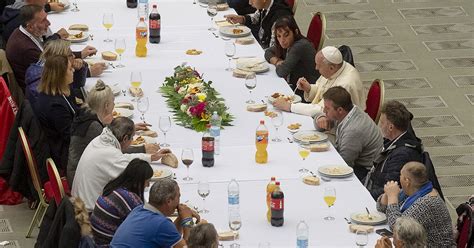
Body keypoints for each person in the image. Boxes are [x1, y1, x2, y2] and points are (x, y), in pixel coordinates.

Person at [67, 80, 158, 185]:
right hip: (79, 179)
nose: (114, 105)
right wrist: (143, 149)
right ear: (106, 105)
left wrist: (129, 128)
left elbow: (109, 130)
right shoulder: (93, 127)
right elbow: (116, 153)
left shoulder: (87, 113)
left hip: (80, 171)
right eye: (113, 102)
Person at [71, 117, 170, 212]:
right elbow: (136, 178)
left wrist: (150, 157)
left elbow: (123, 159)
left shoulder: (100, 140)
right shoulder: (111, 154)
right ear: (125, 138)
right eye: (132, 138)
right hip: (88, 213)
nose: (132, 142)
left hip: (80, 203)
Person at [5, 5, 99, 91]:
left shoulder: (23, 32)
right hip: (39, 93)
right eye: (43, 21)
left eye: (46, 18)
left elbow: (46, 51)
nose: (49, 23)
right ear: (30, 26)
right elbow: (53, 74)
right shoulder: (27, 50)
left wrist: (80, 54)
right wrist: (88, 72)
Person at [376, 162, 456, 247]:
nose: (399, 178)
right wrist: (387, 194)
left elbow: (397, 229)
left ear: (407, 181)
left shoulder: (427, 203)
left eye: (401, 175)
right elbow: (382, 209)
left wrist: (392, 198)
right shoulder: (414, 191)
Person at [273, 46, 366, 118]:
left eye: (319, 66)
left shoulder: (345, 84)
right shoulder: (335, 69)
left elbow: (323, 110)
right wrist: (309, 88)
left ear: (331, 68)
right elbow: (322, 89)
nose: (316, 68)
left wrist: (290, 106)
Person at [316, 86, 383, 180]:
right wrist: (320, 119)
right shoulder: (348, 111)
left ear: (340, 110)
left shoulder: (353, 130)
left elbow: (343, 164)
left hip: (363, 171)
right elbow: (320, 125)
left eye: (327, 108)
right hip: (351, 159)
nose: (324, 111)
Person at [110, 178, 201, 247]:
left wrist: (181, 217)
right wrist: (187, 221)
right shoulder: (161, 224)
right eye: (178, 197)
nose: (179, 201)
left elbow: (170, 236)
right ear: (168, 201)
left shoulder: (139, 209)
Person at [364, 100, 423, 200]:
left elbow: (389, 189)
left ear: (391, 127)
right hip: (374, 186)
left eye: (382, 122)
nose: (380, 126)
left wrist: (362, 195)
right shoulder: (393, 140)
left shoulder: (402, 154)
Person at [90, 158, 153, 246]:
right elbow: (144, 227)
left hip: (95, 238)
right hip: (107, 244)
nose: (148, 185)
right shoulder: (129, 198)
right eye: (147, 181)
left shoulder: (114, 186)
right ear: (137, 181)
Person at [33, 54, 77, 171]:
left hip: (62, 141)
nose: (73, 70)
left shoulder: (60, 91)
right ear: (60, 75)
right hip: (63, 153)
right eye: (69, 69)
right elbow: (71, 136)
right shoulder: (55, 106)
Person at [24, 39, 97, 106]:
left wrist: (80, 68)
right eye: (70, 54)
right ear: (59, 59)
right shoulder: (44, 83)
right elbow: (69, 100)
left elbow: (77, 85)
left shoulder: (49, 70)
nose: (74, 56)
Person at [264, 16, 319, 101]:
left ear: (295, 32)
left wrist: (280, 65)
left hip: (307, 93)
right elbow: (268, 52)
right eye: (279, 36)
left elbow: (281, 72)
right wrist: (277, 61)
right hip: (295, 85)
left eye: (286, 35)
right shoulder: (286, 43)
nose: (282, 40)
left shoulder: (299, 46)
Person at [225, 0, 293, 49]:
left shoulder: (279, 17)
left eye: (252, 0)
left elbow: (274, 48)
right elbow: (255, 18)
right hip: (262, 44)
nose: (249, 2)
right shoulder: (265, 6)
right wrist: (241, 19)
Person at [0, 0, 65, 43]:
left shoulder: (22, 8)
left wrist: (48, 7)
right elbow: (37, 48)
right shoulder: (21, 20)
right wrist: (56, 36)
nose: (47, 0)